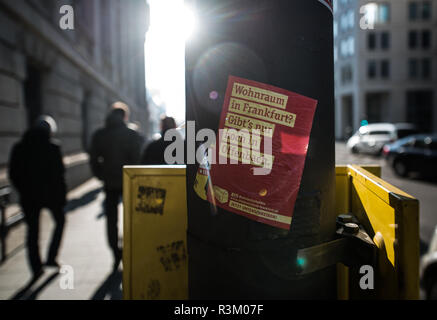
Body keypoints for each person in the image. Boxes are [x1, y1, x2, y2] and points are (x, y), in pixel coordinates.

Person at [8, 115, 67, 280]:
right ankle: (51, 257)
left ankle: (36, 268)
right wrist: (61, 196)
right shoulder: (53, 147)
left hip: (29, 196)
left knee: (32, 232)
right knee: (60, 222)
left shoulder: (19, 147)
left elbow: (13, 173)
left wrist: (23, 189)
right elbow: (60, 175)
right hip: (51, 196)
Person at [89, 102, 142, 270]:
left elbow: (93, 158)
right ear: (124, 116)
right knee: (131, 218)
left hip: (110, 182)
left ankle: (115, 252)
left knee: (111, 220)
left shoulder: (100, 134)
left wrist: (101, 175)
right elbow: (138, 159)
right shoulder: (131, 134)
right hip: (129, 181)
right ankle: (128, 249)